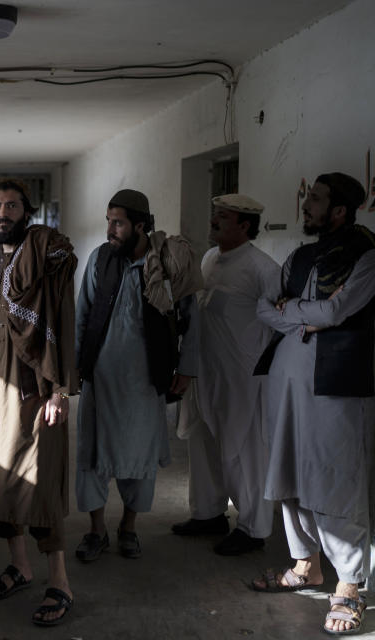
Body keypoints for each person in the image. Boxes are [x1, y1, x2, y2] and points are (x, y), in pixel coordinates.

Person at [0, 178, 78, 626]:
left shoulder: (47, 255)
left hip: (33, 389)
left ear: (27, 210)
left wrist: (61, 389)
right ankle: (20, 565)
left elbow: (64, 320)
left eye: (11, 206)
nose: (3, 213)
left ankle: (59, 581)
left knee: (36, 484)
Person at [250, 173, 374, 635]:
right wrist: (304, 318)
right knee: (289, 471)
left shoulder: (366, 253)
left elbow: (337, 312)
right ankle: (306, 565)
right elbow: (265, 306)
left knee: (335, 476)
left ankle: (348, 585)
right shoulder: (300, 255)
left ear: (339, 210)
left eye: (316, 199)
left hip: (336, 384)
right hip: (287, 380)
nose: (307, 204)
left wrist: (292, 314)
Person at [75, 189, 200, 563]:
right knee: (92, 455)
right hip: (100, 377)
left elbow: (191, 322)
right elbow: (83, 314)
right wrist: (77, 364)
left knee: (139, 457)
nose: (110, 229)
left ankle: (128, 528)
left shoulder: (169, 263)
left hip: (146, 381)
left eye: (118, 223)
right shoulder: (101, 259)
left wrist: (186, 369)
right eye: (108, 221)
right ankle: (96, 529)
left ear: (140, 226)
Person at [171, 194, 278, 555]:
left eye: (223, 217)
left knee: (245, 452)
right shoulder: (209, 258)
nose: (214, 222)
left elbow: (281, 324)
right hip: (205, 370)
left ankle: (253, 527)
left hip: (242, 376)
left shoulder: (263, 268)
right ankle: (208, 514)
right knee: (203, 443)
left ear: (245, 225)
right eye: (214, 215)